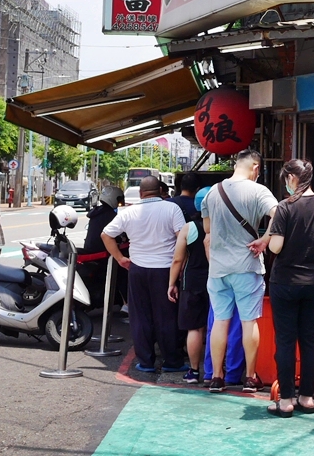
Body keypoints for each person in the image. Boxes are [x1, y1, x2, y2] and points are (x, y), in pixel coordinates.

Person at [264, 159, 314, 417]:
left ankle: (285, 401)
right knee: (309, 340)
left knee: (285, 340)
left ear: (293, 178)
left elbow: (275, 246)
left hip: (285, 281)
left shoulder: (285, 207)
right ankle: (306, 398)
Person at [201, 148, 277, 393]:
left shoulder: (213, 192)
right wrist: (265, 238)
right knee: (248, 321)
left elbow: (208, 230)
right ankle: (250, 377)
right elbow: (279, 214)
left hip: (218, 269)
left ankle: (216, 377)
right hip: (247, 266)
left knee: (220, 322)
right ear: (256, 168)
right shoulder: (258, 191)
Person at [102, 176, 187, 373]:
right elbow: (182, 238)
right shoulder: (171, 208)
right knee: (166, 317)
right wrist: (182, 264)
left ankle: (146, 362)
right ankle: (172, 361)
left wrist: (120, 258)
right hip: (166, 270)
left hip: (137, 269)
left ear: (141, 193)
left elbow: (106, 234)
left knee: (140, 316)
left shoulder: (129, 212)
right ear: (160, 190)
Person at [168, 181, 210, 385]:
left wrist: (171, 283)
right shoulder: (223, 226)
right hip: (219, 280)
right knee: (218, 325)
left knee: (194, 328)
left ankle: (194, 372)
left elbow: (177, 259)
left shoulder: (189, 227)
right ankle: (217, 370)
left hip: (191, 281)